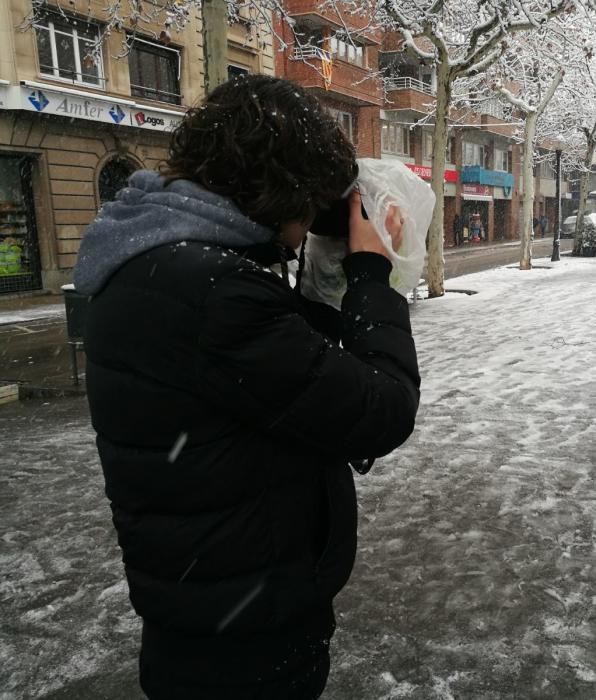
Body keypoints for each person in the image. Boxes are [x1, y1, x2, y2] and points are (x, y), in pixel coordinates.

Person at [72, 75, 420, 698]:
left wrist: (319, 276)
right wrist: (370, 274)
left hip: (203, 602)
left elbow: (275, 379)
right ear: (277, 191)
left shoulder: (161, 262)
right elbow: (380, 408)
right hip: (245, 629)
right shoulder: (216, 292)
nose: (301, 229)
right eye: (305, 208)